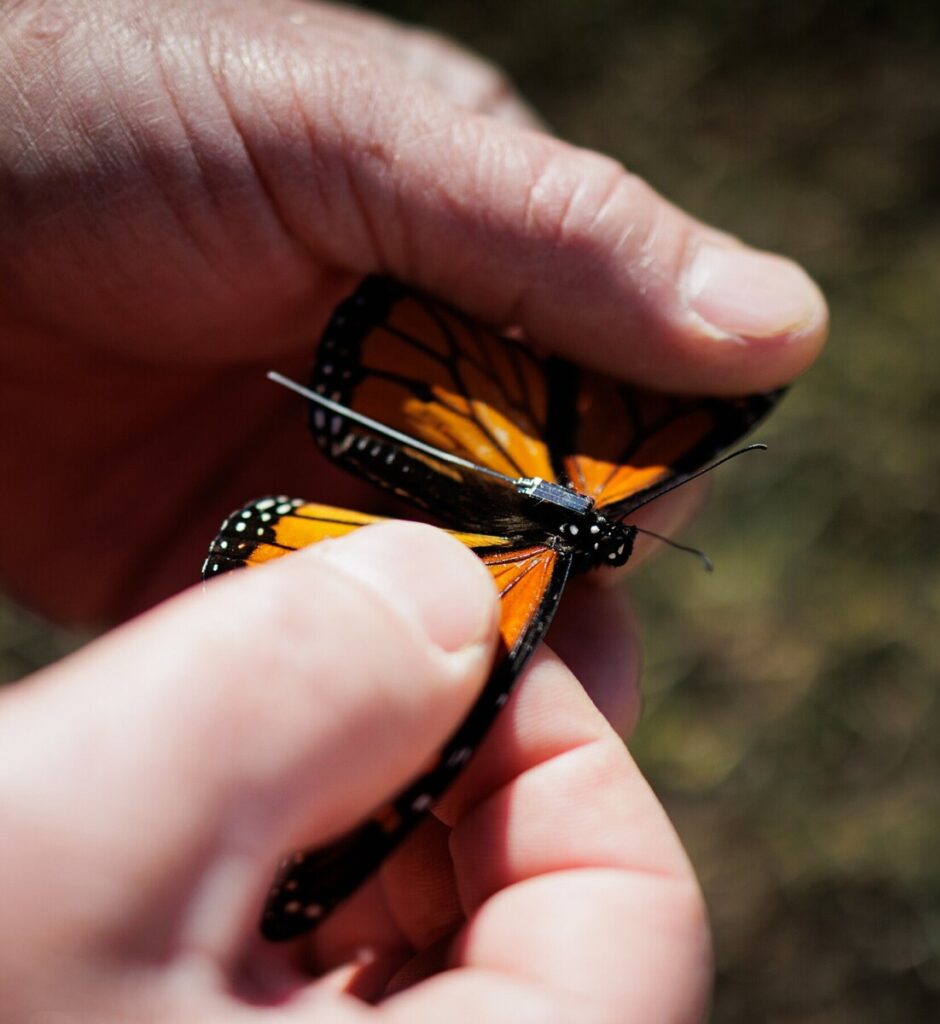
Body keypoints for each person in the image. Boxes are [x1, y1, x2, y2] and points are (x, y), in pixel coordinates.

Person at [0, 1, 828, 1020]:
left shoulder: (554, 548)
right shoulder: (552, 544)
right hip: (452, 415)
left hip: (464, 416)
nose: (612, 540)